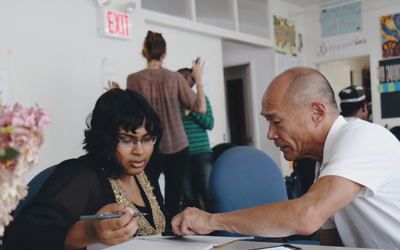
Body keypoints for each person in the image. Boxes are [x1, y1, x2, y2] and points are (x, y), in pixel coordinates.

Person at [171, 67, 400, 249]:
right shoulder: (326, 160)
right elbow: (331, 241)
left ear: (317, 112)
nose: (270, 134)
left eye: (277, 121)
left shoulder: (362, 138)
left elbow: (306, 217)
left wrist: (212, 221)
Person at [3, 89, 169, 249]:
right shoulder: (83, 176)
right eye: (126, 140)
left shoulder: (143, 172)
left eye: (147, 139)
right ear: (105, 139)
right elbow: (18, 236)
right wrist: (85, 233)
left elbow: (159, 228)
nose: (140, 151)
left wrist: (181, 224)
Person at [126, 31, 207, 218]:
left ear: (144, 52)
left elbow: (131, 113)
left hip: (148, 147)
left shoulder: (133, 79)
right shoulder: (175, 78)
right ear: (164, 54)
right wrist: (199, 78)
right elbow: (200, 107)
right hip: (178, 147)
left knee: (150, 199)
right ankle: (172, 238)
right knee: (173, 200)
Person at [178, 67, 215, 213]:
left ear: (193, 81)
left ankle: (213, 229)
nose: (183, 80)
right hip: (183, 154)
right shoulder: (174, 104)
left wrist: (193, 110)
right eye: (179, 77)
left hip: (202, 153)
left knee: (208, 193)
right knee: (189, 196)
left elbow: (209, 124)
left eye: (187, 77)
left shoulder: (201, 99)